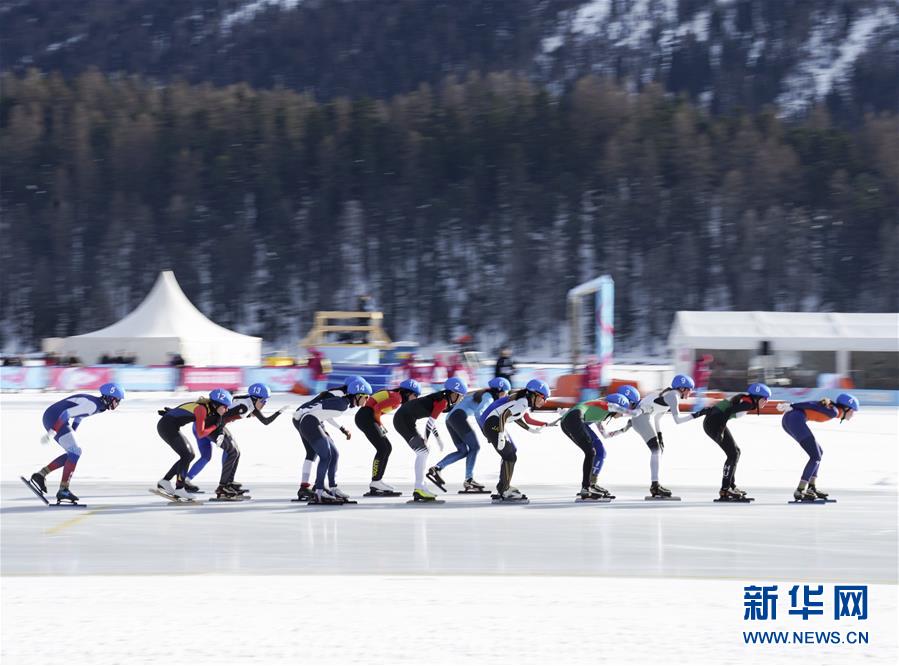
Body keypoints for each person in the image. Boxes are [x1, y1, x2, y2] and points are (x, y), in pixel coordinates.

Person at [27, 383, 125, 504]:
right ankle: (63, 489)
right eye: (117, 400)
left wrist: (73, 431)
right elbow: (66, 414)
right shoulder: (93, 405)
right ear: (109, 397)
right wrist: (52, 432)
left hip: (56, 417)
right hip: (54, 417)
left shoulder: (101, 407)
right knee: (75, 452)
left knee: (73, 453)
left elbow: (79, 417)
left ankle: (40, 475)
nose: (118, 404)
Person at [185, 383, 286, 499]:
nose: (265, 403)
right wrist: (221, 433)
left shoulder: (250, 404)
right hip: (209, 426)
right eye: (263, 401)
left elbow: (265, 421)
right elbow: (221, 418)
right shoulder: (244, 406)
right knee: (231, 452)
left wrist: (279, 412)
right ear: (255, 398)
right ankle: (223, 486)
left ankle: (226, 483)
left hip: (210, 425)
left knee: (230, 453)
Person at [292, 376, 372, 504]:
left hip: (314, 421)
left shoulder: (344, 403)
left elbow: (325, 412)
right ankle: (319, 491)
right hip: (309, 422)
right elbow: (317, 406)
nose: (366, 401)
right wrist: (300, 412)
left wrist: (342, 429)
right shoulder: (340, 402)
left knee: (334, 454)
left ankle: (333, 488)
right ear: (357, 395)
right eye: (366, 397)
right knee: (326, 456)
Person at [427, 377, 511, 493]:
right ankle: (469, 480)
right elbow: (479, 413)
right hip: (457, 417)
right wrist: (485, 431)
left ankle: (437, 468)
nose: (506, 397)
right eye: (506, 393)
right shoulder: (489, 397)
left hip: (451, 419)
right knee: (475, 447)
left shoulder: (484, 394)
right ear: (500, 391)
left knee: (463, 451)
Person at [393, 377, 468, 502]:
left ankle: (421, 486)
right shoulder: (443, 401)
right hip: (402, 420)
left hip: (405, 420)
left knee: (424, 452)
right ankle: (418, 488)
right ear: (454, 393)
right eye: (460, 396)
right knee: (423, 452)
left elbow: (431, 422)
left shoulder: (442, 399)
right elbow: (430, 423)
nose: (461, 399)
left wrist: (438, 439)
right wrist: (427, 439)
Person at [477, 379, 553, 501]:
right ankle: (505, 490)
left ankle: (503, 486)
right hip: (493, 424)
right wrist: (501, 436)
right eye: (544, 398)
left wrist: (530, 429)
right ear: (535, 394)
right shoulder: (522, 403)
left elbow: (515, 416)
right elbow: (504, 415)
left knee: (511, 452)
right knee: (510, 455)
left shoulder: (522, 402)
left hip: (492, 424)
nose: (544, 402)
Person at [696, 382, 771, 500]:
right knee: (733, 454)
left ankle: (731, 486)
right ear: (757, 398)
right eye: (765, 399)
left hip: (714, 422)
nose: (766, 401)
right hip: (714, 424)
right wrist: (720, 431)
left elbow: (724, 409)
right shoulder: (748, 404)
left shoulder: (746, 400)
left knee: (736, 452)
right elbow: (727, 412)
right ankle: (725, 490)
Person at [778, 393, 859, 501]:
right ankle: (800, 490)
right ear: (846, 408)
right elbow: (812, 405)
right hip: (794, 419)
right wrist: (793, 405)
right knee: (815, 456)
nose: (853, 414)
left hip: (790, 420)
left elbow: (815, 405)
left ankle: (811, 487)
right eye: (853, 411)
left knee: (819, 452)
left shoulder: (832, 409)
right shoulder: (833, 411)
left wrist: (793, 407)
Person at [627, 376, 698, 498]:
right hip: (640, 419)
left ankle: (655, 485)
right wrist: (698, 414)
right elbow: (678, 420)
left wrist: (660, 435)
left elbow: (657, 417)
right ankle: (655, 486)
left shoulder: (670, 394)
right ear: (682, 388)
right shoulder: (673, 396)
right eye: (689, 389)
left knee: (657, 450)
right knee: (656, 451)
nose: (690, 393)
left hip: (642, 418)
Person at [155, 388, 233, 500]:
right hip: (167, 427)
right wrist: (215, 426)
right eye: (225, 407)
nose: (226, 410)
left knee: (188, 455)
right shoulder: (202, 409)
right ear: (217, 404)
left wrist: (173, 412)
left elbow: (185, 409)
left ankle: (165, 481)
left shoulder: (208, 408)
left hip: (169, 425)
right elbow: (201, 433)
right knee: (187, 455)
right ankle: (179, 489)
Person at [559, 392, 635, 499]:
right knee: (590, 452)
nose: (621, 414)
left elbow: (606, 435)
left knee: (599, 451)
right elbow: (623, 410)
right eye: (621, 411)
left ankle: (591, 484)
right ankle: (586, 487)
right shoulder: (604, 405)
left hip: (574, 421)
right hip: (574, 418)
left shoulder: (600, 415)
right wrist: (638, 412)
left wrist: (625, 429)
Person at [354, 378, 422, 495]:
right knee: (383, 448)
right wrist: (380, 425)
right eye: (415, 396)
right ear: (408, 393)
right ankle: (375, 482)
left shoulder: (396, 397)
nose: (415, 399)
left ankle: (377, 481)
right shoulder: (397, 398)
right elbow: (376, 409)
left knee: (386, 447)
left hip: (366, 417)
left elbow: (377, 410)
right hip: (365, 417)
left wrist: (380, 424)